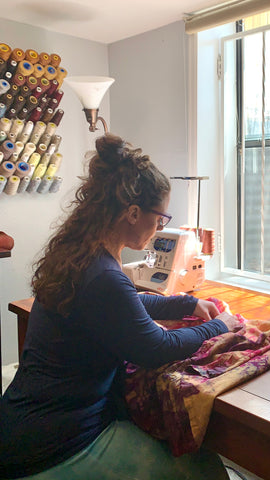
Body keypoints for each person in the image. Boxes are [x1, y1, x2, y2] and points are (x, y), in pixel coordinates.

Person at [0, 134, 241, 480]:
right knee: (204, 467)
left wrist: (187, 303)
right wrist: (220, 326)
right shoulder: (103, 276)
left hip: (23, 423)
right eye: (160, 219)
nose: (160, 228)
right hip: (56, 444)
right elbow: (155, 349)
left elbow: (122, 305)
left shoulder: (78, 254)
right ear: (132, 213)